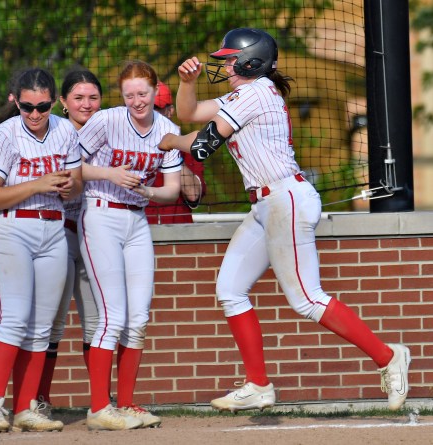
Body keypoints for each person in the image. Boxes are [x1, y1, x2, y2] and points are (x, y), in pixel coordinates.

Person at [158, 27, 411, 413]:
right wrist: (186, 83)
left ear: (250, 61)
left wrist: (173, 142)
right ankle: (258, 385)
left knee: (307, 299)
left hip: (283, 199)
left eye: (230, 59)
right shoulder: (244, 94)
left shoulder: (255, 92)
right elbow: (190, 111)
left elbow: (204, 143)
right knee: (230, 289)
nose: (224, 64)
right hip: (266, 203)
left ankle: (387, 356)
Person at [77, 60, 182, 431]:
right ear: (121, 97)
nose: (137, 101)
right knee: (113, 315)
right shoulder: (107, 120)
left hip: (137, 218)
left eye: (143, 93)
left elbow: (171, 190)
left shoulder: (168, 128)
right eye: (129, 95)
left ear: (155, 92)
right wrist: (110, 173)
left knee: (138, 318)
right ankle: (99, 408)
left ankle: (125, 403)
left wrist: (147, 190)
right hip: (101, 213)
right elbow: (70, 165)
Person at [0, 68, 82, 433]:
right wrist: (38, 182)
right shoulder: (4, 135)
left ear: (54, 102)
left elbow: (76, 182)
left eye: (42, 106)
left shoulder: (65, 129)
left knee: (40, 327)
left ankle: (26, 408)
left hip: (53, 228)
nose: (35, 114)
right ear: (15, 101)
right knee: (13, 319)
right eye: (27, 106)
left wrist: (71, 187)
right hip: (9, 228)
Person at [34, 69, 103, 416]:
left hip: (94, 233)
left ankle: (100, 402)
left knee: (96, 321)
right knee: (52, 320)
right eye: (78, 97)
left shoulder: (109, 128)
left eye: (93, 97)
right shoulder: (53, 131)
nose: (86, 104)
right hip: (56, 232)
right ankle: (39, 398)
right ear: (62, 102)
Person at [146, 81, 206, 224]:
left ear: (170, 111)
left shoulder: (186, 146)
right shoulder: (124, 144)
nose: (150, 114)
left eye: (156, 108)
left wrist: (172, 144)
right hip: (138, 232)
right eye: (146, 108)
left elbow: (193, 194)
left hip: (177, 236)